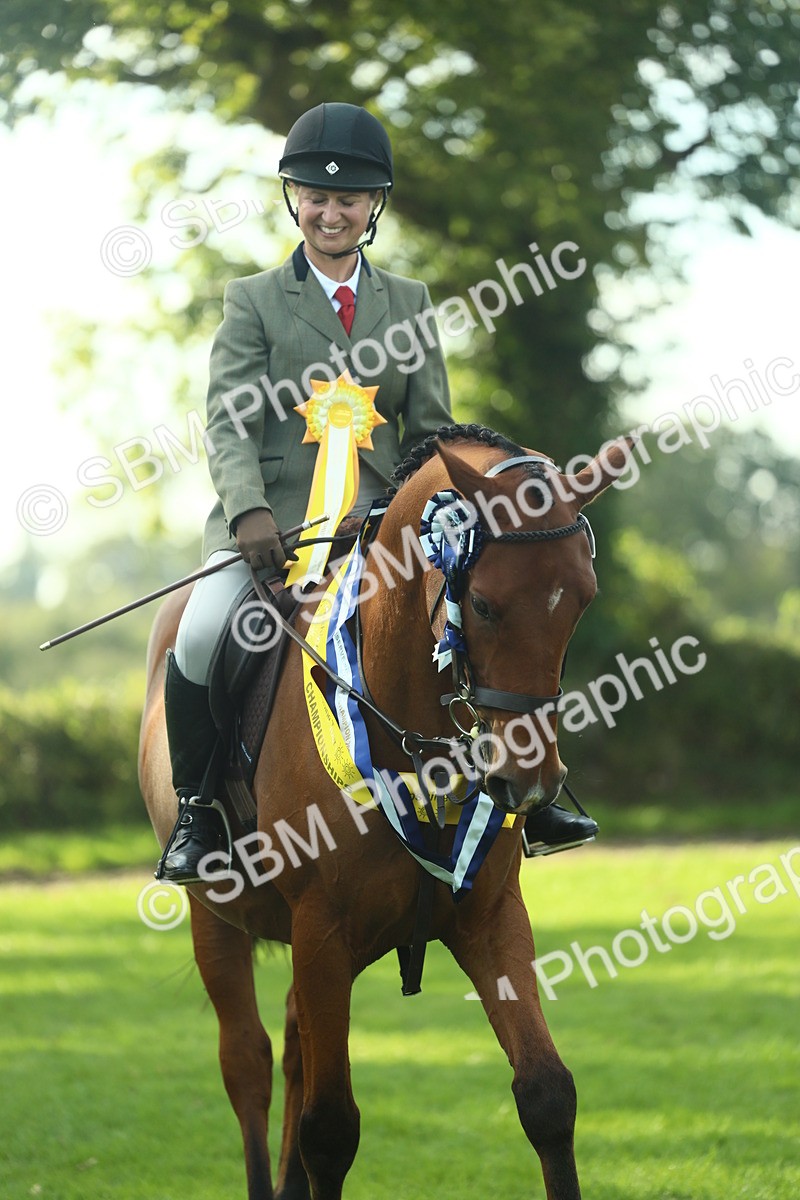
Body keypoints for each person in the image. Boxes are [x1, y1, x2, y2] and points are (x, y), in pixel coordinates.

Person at [158, 102, 596, 884]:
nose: (332, 212)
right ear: (295, 200)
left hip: (379, 533)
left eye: (349, 200)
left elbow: (431, 434)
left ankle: (534, 791)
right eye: (317, 198)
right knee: (199, 635)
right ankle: (198, 814)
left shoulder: (411, 301)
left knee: (496, 615)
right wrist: (248, 512)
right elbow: (227, 423)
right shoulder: (253, 301)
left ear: (373, 208)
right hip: (271, 532)